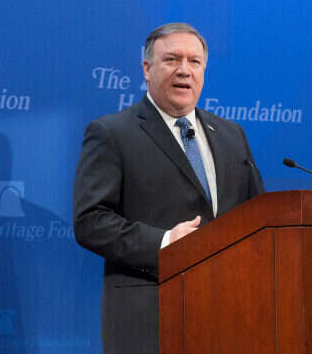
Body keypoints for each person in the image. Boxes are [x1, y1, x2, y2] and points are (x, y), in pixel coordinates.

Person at [73, 23, 264, 353]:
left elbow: (257, 217)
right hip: (151, 316)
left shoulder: (232, 135)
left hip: (230, 314)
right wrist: (164, 242)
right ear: (147, 69)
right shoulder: (112, 133)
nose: (184, 70)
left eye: (194, 61)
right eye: (172, 59)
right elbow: (91, 221)